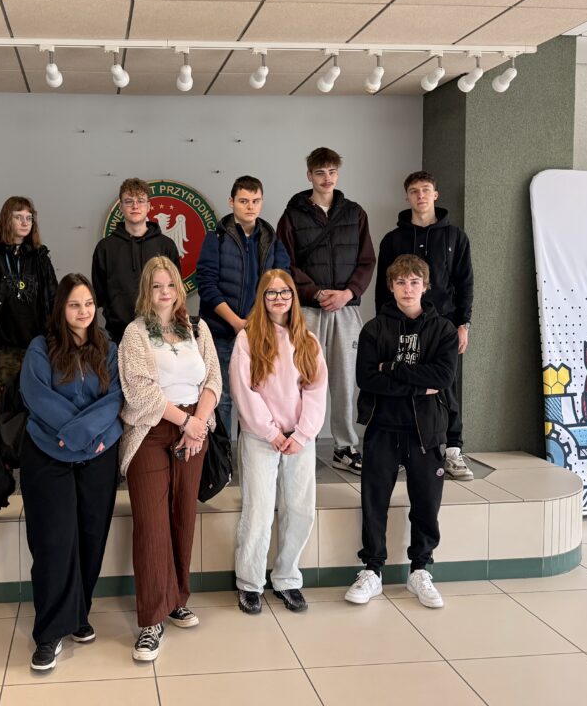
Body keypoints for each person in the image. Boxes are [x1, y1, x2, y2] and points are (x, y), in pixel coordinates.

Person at [118, 256, 221, 662]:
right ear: (147, 290)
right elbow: (140, 393)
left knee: (182, 516)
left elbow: (213, 379)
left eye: (170, 285)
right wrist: (187, 422)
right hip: (151, 432)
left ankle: (176, 598)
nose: (165, 292)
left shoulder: (198, 327)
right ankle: (150, 621)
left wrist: (198, 423)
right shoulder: (135, 334)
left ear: (180, 288)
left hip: (194, 430)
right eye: (156, 285)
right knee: (151, 524)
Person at [19, 274, 124, 671]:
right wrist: (78, 434)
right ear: (61, 308)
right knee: (54, 541)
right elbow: (36, 397)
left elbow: (116, 398)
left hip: (97, 453)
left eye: (88, 303)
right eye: (74, 304)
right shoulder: (40, 347)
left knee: (91, 536)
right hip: (48, 453)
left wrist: (88, 436)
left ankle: (79, 614)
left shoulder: (108, 347)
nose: (83, 311)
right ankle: (49, 632)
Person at [344, 254, 458, 610]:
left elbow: (443, 378)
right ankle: (372, 570)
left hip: (427, 429)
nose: (408, 289)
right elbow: (366, 379)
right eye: (400, 282)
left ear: (425, 286)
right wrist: (418, 384)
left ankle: (420, 569)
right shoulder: (374, 329)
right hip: (383, 426)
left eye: (414, 282)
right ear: (391, 287)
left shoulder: (443, 330)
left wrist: (391, 368)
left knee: (426, 502)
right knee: (374, 500)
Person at [231, 270, 327, 615]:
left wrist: (301, 434)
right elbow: (244, 391)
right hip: (261, 438)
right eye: (271, 293)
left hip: (299, 439)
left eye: (284, 292)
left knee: (300, 510)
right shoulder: (248, 339)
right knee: (258, 511)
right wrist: (271, 432)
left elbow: (316, 390)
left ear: (293, 296)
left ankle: (287, 578)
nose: (278, 298)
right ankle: (250, 583)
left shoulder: (308, 340)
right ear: (262, 297)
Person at [277, 147, 375, 475]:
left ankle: (344, 447)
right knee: (302, 377)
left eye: (332, 171)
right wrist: (315, 292)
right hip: (308, 309)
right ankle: (302, 443)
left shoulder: (355, 213)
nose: (327, 178)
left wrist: (348, 293)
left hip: (345, 308)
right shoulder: (292, 215)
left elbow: (366, 261)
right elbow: (285, 263)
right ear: (309, 175)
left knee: (345, 380)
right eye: (320, 172)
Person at [376, 171, 474, 480]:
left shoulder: (455, 237)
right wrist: (384, 327)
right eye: (414, 191)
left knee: (447, 385)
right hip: (402, 325)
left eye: (426, 190)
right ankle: (402, 449)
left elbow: (465, 282)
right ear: (407, 196)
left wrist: (463, 324)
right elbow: (382, 288)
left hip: (444, 325)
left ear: (435, 194)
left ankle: (453, 449)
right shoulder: (393, 240)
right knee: (403, 381)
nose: (420, 195)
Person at [196, 175, 290, 438]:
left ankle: (253, 454)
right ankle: (224, 455)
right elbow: (206, 285)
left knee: (258, 396)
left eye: (255, 201)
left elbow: (282, 283)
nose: (250, 206)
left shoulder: (272, 239)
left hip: (261, 331)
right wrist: (236, 322)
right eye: (244, 201)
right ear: (231, 202)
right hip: (221, 332)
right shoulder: (216, 237)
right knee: (222, 396)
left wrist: (258, 321)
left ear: (262, 202)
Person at [0, 196, 57, 396]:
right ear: (7, 219)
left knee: (35, 399)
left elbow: (54, 301)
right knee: (5, 401)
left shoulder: (40, 258)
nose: (25, 223)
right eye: (18, 217)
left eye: (29, 218)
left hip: (36, 345)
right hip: (0, 348)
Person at [92, 178, 181, 343]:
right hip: (118, 335)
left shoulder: (166, 245)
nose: (135, 206)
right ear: (120, 207)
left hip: (161, 334)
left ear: (149, 206)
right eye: (129, 201)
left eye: (140, 200)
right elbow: (99, 294)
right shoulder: (105, 248)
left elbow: (175, 290)